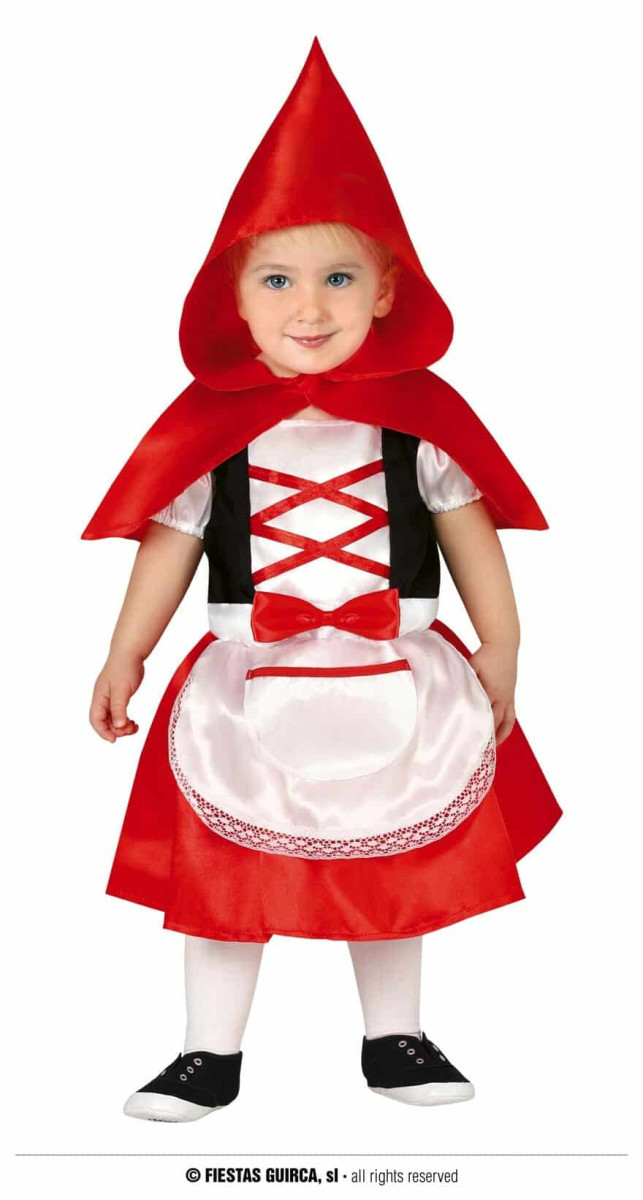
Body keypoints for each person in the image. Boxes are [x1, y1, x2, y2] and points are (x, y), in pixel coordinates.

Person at [84, 38, 561, 1122]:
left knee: (394, 868)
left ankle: (396, 1041)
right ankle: (207, 1054)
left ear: (386, 288)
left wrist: (502, 646)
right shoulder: (210, 431)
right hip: (243, 679)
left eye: (339, 276)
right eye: (278, 279)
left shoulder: (420, 424)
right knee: (223, 877)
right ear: (235, 298)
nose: (310, 305)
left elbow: (472, 535)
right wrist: (125, 652)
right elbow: (167, 545)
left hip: (402, 668)